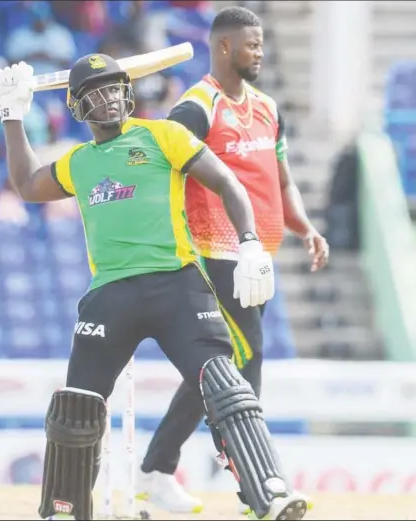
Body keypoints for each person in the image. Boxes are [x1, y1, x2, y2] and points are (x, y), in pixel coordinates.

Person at [0, 53, 308, 521]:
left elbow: (228, 184)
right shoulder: (79, 162)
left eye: (117, 87)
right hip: (111, 295)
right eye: (97, 92)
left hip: (177, 286)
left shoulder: (163, 134)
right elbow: (26, 184)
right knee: (77, 405)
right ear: (78, 108)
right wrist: (12, 115)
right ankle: (64, 508)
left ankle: (268, 492)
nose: (112, 98)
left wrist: (249, 246)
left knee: (224, 382)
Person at [138, 5, 329, 515]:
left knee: (216, 369)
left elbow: (280, 179)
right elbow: (166, 175)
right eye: (252, 44)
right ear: (223, 47)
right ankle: (257, 484)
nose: (260, 52)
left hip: (257, 259)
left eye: (263, 43)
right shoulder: (197, 108)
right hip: (213, 255)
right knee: (249, 359)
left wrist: (304, 226)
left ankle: (155, 470)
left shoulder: (268, 107)